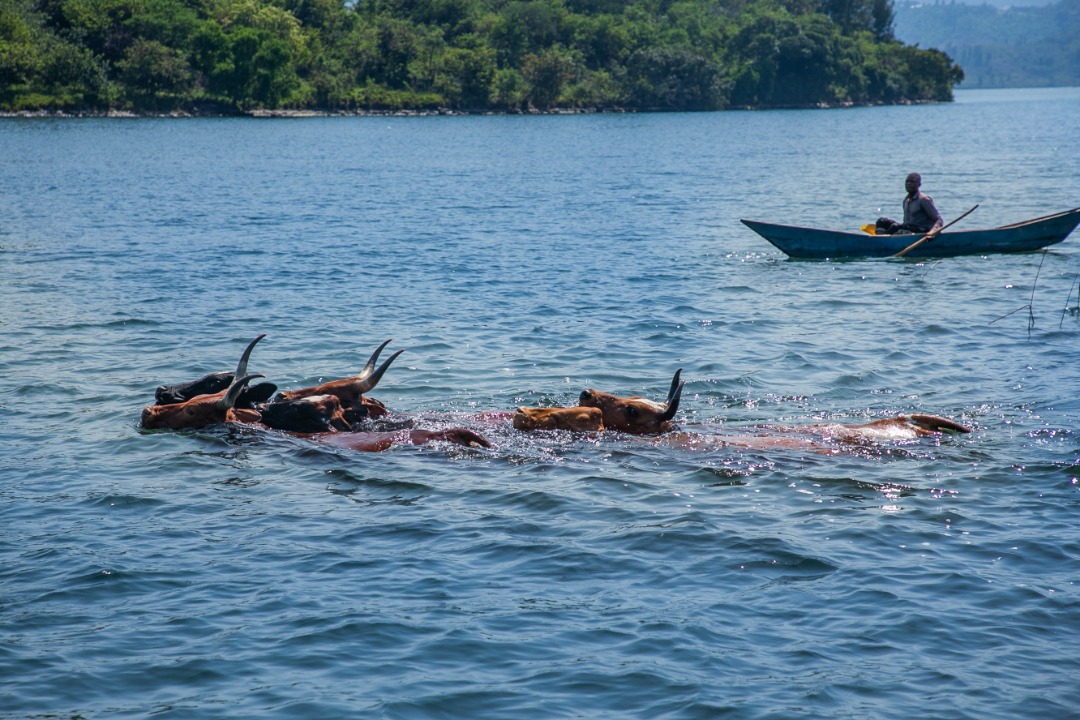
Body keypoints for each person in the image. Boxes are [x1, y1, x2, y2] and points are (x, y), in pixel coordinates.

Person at [875, 172, 944, 235]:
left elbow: (939, 220)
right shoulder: (906, 200)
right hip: (908, 228)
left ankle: (884, 241)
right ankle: (879, 239)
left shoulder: (924, 199)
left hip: (920, 231)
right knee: (882, 221)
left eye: (912, 181)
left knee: (895, 227)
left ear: (919, 184)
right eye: (907, 181)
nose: (909, 183)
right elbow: (905, 222)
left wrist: (932, 232)